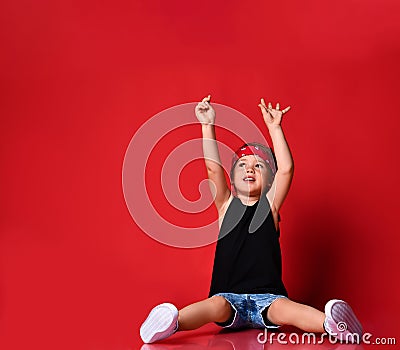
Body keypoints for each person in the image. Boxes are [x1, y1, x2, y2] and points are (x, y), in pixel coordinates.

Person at [139, 96, 363, 344]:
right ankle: (172, 321)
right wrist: (207, 125)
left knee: (288, 309)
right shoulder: (225, 206)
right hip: (228, 297)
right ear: (232, 179)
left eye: (258, 166)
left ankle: (332, 324)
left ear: (269, 181)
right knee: (214, 306)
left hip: (269, 298)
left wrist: (275, 128)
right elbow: (213, 168)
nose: (249, 169)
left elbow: (287, 169)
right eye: (243, 165)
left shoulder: (270, 207)